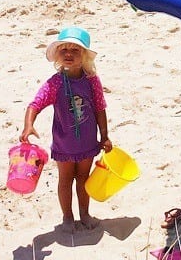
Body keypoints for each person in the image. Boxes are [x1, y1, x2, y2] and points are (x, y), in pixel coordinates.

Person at [20, 26, 112, 232]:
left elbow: (100, 108)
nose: (69, 54)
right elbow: (35, 104)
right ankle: (68, 217)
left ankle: (85, 214)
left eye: (75, 50)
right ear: (57, 56)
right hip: (64, 144)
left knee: (84, 180)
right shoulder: (55, 83)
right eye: (64, 50)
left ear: (85, 56)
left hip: (88, 142)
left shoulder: (92, 82)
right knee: (65, 181)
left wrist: (104, 136)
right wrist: (28, 125)